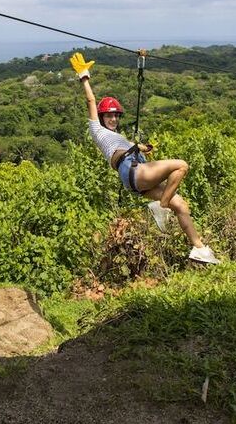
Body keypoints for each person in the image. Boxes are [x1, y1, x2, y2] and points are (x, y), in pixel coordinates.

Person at [70, 51, 219, 264]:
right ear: (101, 118)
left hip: (135, 177)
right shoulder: (98, 131)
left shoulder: (118, 137)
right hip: (132, 172)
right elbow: (91, 100)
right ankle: (162, 205)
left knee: (180, 205)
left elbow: (126, 151)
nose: (113, 119)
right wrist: (84, 76)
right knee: (181, 166)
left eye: (116, 116)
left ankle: (199, 248)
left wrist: (140, 148)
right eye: (109, 115)